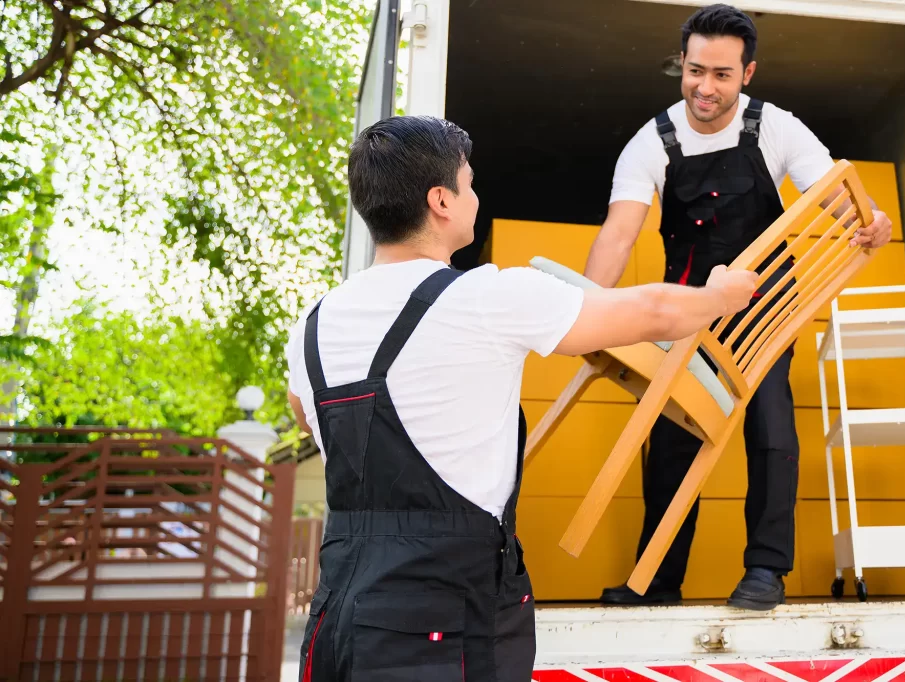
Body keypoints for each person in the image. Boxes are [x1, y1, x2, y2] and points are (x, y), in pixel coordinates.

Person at [284, 114, 758, 681]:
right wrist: (718, 295)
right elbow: (651, 313)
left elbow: (310, 419)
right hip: (441, 623)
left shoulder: (311, 323)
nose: (475, 194)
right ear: (441, 200)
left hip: (339, 618)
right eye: (470, 181)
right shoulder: (485, 295)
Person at [585, 4, 894, 611]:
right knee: (672, 444)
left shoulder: (776, 127)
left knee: (771, 428)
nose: (705, 87)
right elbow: (618, 235)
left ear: (747, 73)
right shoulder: (652, 140)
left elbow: (835, 196)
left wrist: (871, 221)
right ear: (682, 64)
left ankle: (766, 572)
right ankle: (656, 581)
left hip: (766, 305)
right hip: (687, 308)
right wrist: (584, 311)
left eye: (722, 75)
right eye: (695, 70)